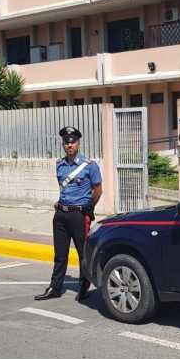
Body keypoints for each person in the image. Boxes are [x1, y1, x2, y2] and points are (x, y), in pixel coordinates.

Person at [35, 126, 103, 302]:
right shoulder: (60, 165)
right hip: (61, 215)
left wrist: (89, 207)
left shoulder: (89, 166)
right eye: (66, 142)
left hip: (78, 215)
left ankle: (83, 286)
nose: (69, 145)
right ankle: (55, 287)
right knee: (60, 254)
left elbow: (98, 190)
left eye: (72, 142)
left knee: (83, 253)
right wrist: (60, 203)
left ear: (78, 143)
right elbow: (64, 188)